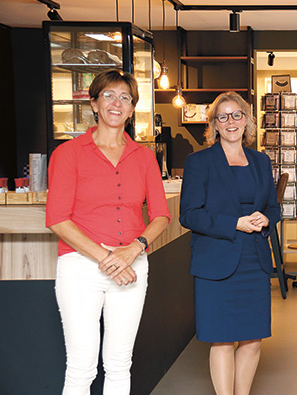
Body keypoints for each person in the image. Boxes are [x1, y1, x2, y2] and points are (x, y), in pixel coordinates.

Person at [46, 69, 170, 394]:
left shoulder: (144, 157)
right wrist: (109, 259)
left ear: (132, 109)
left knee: (119, 364)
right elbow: (57, 219)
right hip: (80, 268)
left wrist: (133, 249)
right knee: (81, 366)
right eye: (109, 96)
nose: (117, 103)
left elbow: (161, 215)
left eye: (125, 98)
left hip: (132, 266)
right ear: (94, 103)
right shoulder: (68, 154)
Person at [179, 92, 281, 395]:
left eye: (237, 115)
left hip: (254, 261)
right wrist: (234, 223)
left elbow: (273, 206)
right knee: (221, 339)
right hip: (216, 262)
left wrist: (266, 217)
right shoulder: (199, 162)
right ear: (214, 124)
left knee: (253, 339)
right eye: (222, 117)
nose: (231, 122)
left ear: (246, 120)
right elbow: (189, 214)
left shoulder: (261, 161)